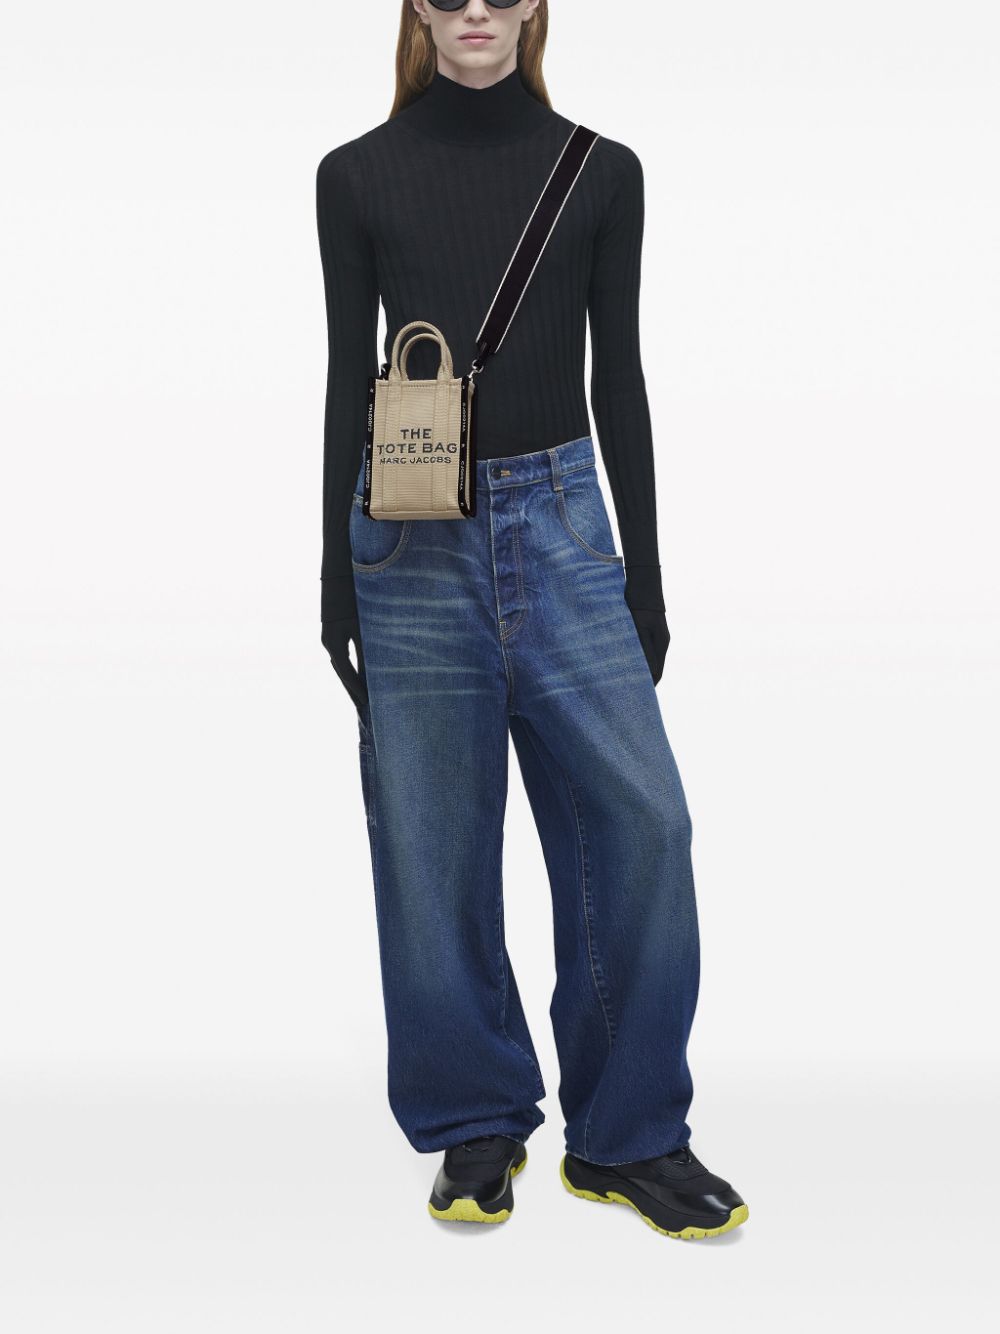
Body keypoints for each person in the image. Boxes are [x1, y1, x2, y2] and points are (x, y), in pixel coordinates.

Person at [316, 0, 747, 1239]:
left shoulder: (602, 171)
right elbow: (349, 370)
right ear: (416, 5)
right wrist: (333, 575)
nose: (476, 10)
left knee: (644, 822)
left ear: (535, 5)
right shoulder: (354, 175)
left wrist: (644, 577)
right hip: (407, 538)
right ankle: (475, 1121)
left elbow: (622, 372)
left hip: (565, 524)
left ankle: (628, 1134)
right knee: (430, 845)